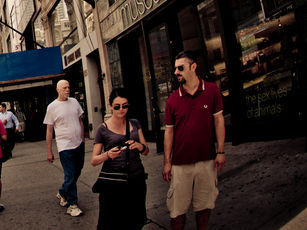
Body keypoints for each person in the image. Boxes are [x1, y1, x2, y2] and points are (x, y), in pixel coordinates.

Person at [163, 51, 225, 230]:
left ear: (193, 67)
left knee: (204, 207)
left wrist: (221, 151)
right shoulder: (173, 100)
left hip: (207, 161)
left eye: (180, 68)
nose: (176, 72)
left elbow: (219, 120)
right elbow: (169, 133)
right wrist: (167, 162)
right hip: (180, 164)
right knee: (177, 211)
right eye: (175, 69)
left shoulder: (212, 90)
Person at [91, 88, 149, 229]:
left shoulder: (134, 123)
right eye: (117, 106)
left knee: (136, 222)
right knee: (114, 223)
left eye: (125, 106)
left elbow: (146, 150)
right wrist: (107, 155)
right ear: (110, 106)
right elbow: (94, 160)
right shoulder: (102, 129)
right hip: (114, 183)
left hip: (136, 179)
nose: (121, 110)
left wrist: (139, 146)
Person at [44, 79, 86, 217]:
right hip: (64, 146)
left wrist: (83, 138)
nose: (67, 90)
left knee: (77, 171)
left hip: (78, 144)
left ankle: (63, 192)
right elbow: (49, 130)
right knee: (70, 174)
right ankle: (72, 204)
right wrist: (49, 151)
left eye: (68, 87)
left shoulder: (74, 102)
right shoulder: (52, 107)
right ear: (58, 90)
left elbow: (80, 120)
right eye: (64, 88)